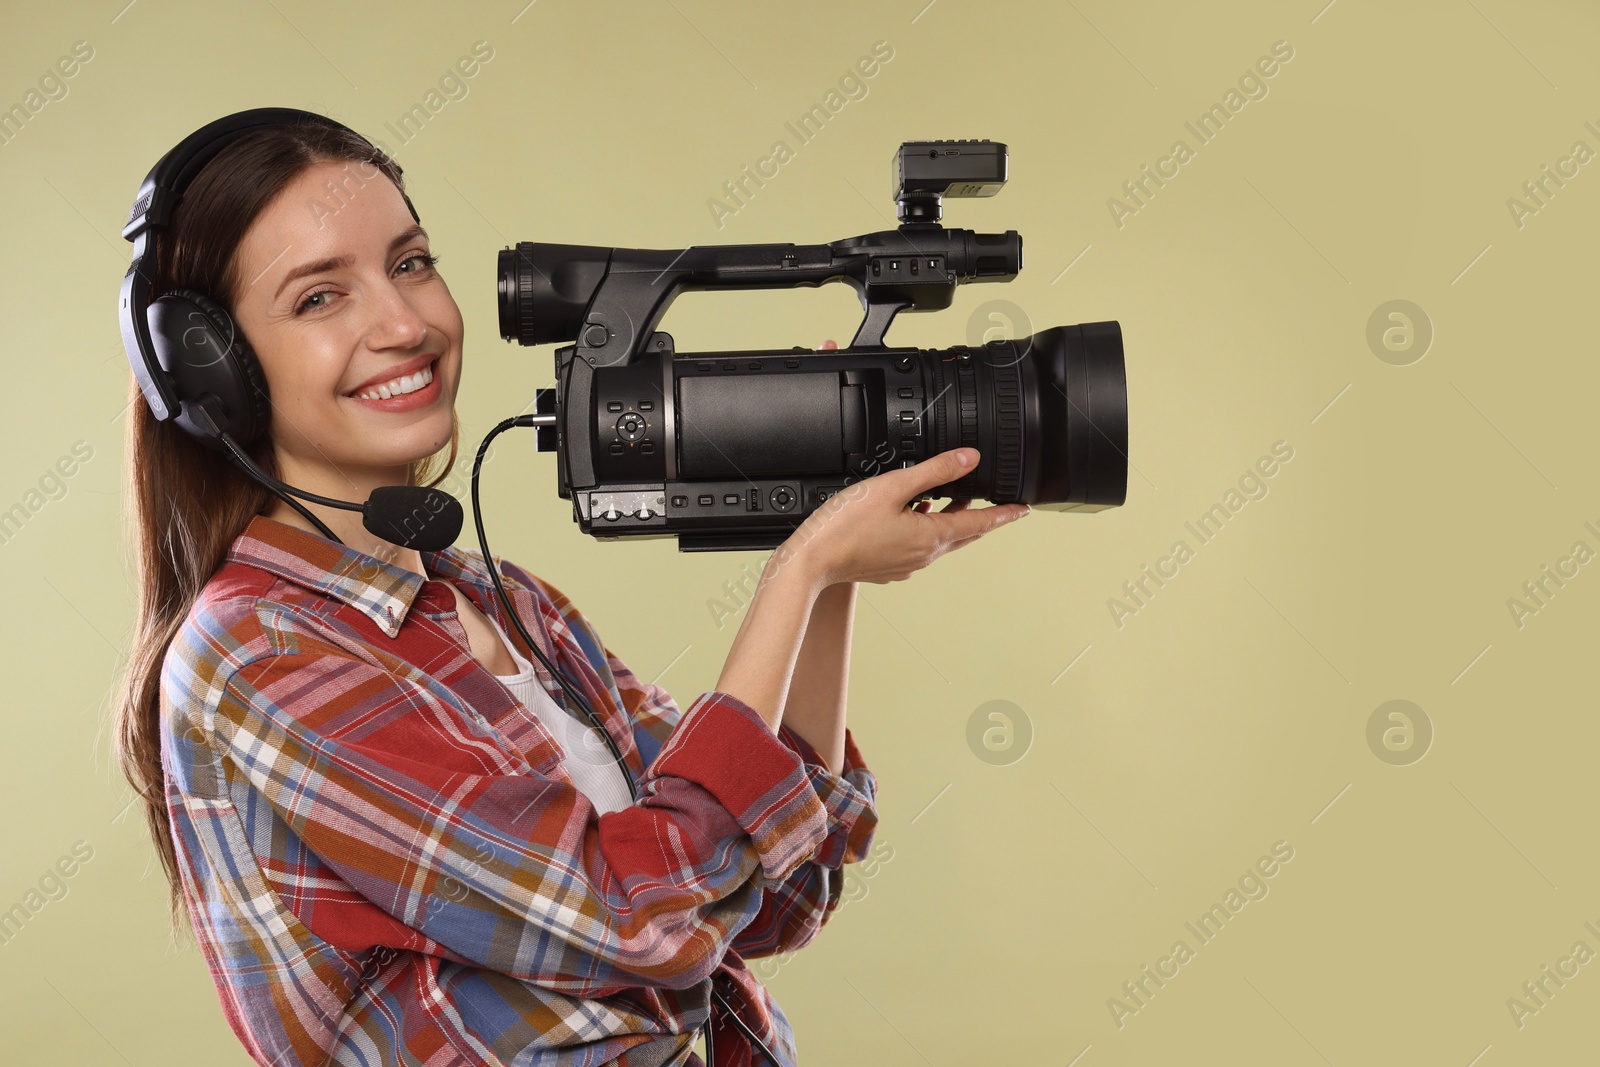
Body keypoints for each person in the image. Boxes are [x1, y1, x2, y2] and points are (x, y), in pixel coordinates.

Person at [109, 114, 1032, 1067]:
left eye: (412, 262)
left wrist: (830, 554)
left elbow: (769, 894)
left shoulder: (512, 603)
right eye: (319, 297)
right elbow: (643, 916)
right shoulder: (257, 653)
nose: (403, 324)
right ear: (213, 371)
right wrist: (797, 576)